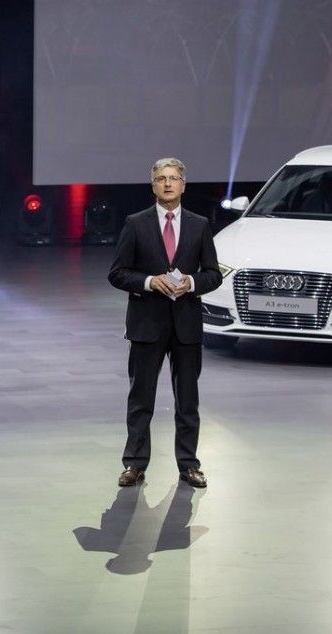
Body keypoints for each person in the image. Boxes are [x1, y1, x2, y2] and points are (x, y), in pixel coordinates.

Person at [107, 158, 223, 488]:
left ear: (183, 185)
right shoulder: (136, 223)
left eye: (173, 178)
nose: (168, 183)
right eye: (161, 178)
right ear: (153, 185)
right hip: (147, 323)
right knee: (140, 399)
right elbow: (117, 273)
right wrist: (148, 281)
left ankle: (189, 464)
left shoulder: (200, 225)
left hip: (186, 325)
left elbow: (213, 274)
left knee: (188, 401)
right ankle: (134, 464)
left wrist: (191, 282)